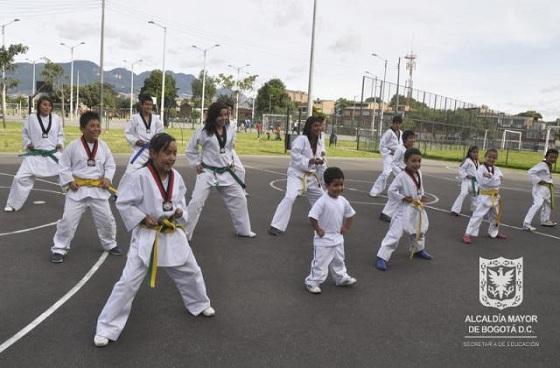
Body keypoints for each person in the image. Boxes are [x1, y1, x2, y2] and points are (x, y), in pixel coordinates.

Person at [94, 133, 214, 347]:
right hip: (147, 236)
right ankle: (106, 327)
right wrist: (142, 218)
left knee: (191, 270)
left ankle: (199, 302)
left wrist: (179, 212)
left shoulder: (176, 177)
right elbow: (124, 202)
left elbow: (180, 202)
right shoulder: (139, 176)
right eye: (167, 153)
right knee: (128, 282)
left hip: (172, 233)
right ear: (153, 153)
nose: (172, 158)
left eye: (175, 153)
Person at [50, 111, 120, 263]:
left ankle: (110, 243)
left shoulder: (104, 146)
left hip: (98, 189)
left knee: (107, 220)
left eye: (98, 126)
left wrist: (108, 178)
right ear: (82, 129)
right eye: (92, 126)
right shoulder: (73, 146)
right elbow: (63, 166)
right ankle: (59, 248)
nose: (96, 129)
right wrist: (69, 181)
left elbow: (110, 164)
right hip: (78, 190)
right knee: (68, 221)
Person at [185, 102, 256, 240]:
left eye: (226, 115)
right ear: (213, 116)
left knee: (240, 199)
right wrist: (196, 163)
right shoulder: (203, 131)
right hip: (207, 172)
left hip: (226, 172)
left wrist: (231, 163)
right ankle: (184, 235)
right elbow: (190, 149)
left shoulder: (230, 130)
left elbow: (229, 149)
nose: (224, 118)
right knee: (196, 202)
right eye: (221, 115)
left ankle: (243, 230)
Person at [375, 148, 432, 271]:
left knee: (419, 231)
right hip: (403, 209)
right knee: (395, 234)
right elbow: (391, 190)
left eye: (419, 161)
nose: (417, 164)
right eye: (413, 161)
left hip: (416, 208)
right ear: (406, 161)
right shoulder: (401, 176)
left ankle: (418, 250)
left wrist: (421, 196)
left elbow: (420, 188)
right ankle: (382, 257)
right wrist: (402, 197)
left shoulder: (419, 173)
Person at [4, 96, 64, 212]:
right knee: (19, 178)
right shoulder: (31, 118)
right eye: (44, 105)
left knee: (66, 177)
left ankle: (78, 202)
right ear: (39, 106)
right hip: (35, 155)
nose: (47, 107)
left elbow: (60, 134)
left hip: (53, 154)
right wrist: (28, 143)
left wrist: (60, 143)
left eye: (49, 105)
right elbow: (25, 134)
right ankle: (12, 204)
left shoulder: (56, 118)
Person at [268, 116, 326, 236]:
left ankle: (318, 220)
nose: (318, 128)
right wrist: (311, 161)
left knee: (322, 198)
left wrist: (320, 162)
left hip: (311, 177)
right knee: (290, 197)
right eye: (315, 125)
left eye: (320, 125)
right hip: (297, 175)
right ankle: (276, 225)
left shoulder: (320, 140)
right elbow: (294, 155)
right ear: (309, 127)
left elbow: (321, 157)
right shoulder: (302, 139)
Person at [305, 167, 357, 294]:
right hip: (323, 240)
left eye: (341, 184)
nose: (339, 188)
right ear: (326, 185)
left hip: (338, 238)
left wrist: (346, 228)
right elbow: (312, 216)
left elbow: (350, 215)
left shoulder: (343, 201)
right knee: (321, 263)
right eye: (335, 185)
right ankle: (312, 281)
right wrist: (318, 229)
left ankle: (341, 278)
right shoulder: (322, 201)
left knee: (339, 260)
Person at [462, 148, 506, 244]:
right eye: (489, 157)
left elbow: (501, 178)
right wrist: (493, 178)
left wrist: (492, 178)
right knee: (478, 215)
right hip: (485, 197)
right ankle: (467, 234)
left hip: (494, 197)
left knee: (496, 216)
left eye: (494, 158)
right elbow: (484, 182)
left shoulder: (496, 169)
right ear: (485, 157)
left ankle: (494, 232)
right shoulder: (481, 169)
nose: (491, 159)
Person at [379, 130, 416, 222]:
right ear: (405, 139)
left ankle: (391, 213)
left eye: (414, 138)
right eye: (410, 138)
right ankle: (386, 213)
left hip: (406, 175)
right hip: (400, 175)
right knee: (397, 194)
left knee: (401, 195)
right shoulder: (400, 149)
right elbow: (394, 163)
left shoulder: (410, 150)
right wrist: (400, 174)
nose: (413, 140)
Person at [123, 95, 164, 175]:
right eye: (146, 104)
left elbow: (161, 133)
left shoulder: (156, 119)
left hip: (152, 152)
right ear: (141, 105)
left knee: (154, 174)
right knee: (130, 173)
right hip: (139, 151)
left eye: (150, 105)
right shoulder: (135, 118)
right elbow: (128, 132)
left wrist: (155, 142)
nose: (149, 107)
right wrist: (136, 141)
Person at [522, 148, 558, 231]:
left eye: (555, 157)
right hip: (540, 189)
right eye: (551, 157)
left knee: (548, 204)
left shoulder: (548, 165)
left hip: (547, 188)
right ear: (546, 156)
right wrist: (538, 180)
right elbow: (530, 172)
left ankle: (545, 220)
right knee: (538, 204)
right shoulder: (542, 164)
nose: (553, 159)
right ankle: (526, 223)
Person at [369, 115, 403, 197]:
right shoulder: (388, 132)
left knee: (400, 174)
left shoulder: (401, 133)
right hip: (389, 156)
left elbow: (401, 145)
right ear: (393, 123)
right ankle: (375, 190)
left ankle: (397, 192)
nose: (398, 125)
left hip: (397, 157)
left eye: (399, 124)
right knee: (386, 173)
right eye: (396, 123)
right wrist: (388, 151)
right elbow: (382, 145)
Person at [226, 103, 249, 196]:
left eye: (230, 111)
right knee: (211, 173)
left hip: (230, 150)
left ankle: (241, 190)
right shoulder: (218, 123)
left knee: (241, 170)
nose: (228, 112)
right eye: (227, 110)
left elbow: (233, 138)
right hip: (220, 152)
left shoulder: (233, 123)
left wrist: (233, 146)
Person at [450, 146, 480, 216]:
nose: (475, 154)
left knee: (475, 196)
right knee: (463, 194)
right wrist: (466, 175)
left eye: (477, 152)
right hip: (466, 181)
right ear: (469, 153)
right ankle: (455, 210)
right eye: (474, 152)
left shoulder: (477, 162)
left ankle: (475, 209)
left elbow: (479, 172)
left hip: (474, 182)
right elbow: (460, 168)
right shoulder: (467, 160)